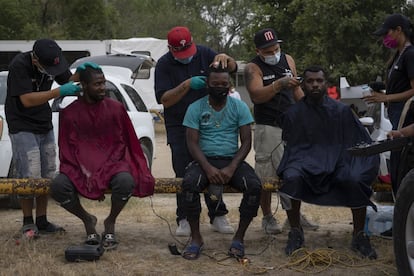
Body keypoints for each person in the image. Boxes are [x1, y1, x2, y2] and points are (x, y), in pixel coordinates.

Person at [277, 65, 379, 259]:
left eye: (319, 81)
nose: (315, 85)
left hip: (339, 161)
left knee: (355, 178)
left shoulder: (342, 111)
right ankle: (296, 232)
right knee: (291, 176)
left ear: (326, 84)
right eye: (310, 81)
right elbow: (292, 148)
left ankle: (359, 235)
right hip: (304, 161)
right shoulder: (294, 113)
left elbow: (359, 142)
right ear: (303, 85)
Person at [50, 62, 155, 250]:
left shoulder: (116, 108)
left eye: (103, 83)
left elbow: (125, 142)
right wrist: (87, 172)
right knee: (58, 187)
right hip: (80, 166)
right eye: (97, 84)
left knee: (125, 181)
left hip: (112, 163)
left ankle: (110, 222)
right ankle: (87, 220)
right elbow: (67, 148)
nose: (102, 88)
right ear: (83, 86)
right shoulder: (69, 113)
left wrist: (104, 169)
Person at [154, 26, 238, 236]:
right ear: (170, 48)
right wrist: (187, 84)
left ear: (193, 43)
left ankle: (218, 214)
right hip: (178, 124)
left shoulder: (206, 54)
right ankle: (184, 218)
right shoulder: (164, 64)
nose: (186, 58)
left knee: (213, 166)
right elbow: (164, 99)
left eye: (188, 52)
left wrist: (228, 59)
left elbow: (232, 69)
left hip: (208, 122)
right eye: (180, 54)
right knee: (183, 173)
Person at [180, 66, 261, 260]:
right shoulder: (195, 107)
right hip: (203, 161)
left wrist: (232, 167)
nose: (219, 87)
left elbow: (247, 141)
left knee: (255, 186)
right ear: (207, 84)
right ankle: (196, 239)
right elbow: (191, 142)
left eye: (224, 84)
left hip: (231, 160)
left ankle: (239, 238)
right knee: (189, 185)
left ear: (230, 85)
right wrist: (207, 168)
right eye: (215, 84)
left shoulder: (239, 106)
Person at [5, 38, 81, 238]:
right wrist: (58, 92)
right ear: (36, 60)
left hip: (43, 123)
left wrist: (82, 73)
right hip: (22, 124)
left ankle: (42, 220)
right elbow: (27, 100)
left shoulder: (53, 61)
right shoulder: (19, 66)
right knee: (29, 174)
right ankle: (27, 222)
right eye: (46, 67)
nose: (51, 71)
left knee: (47, 174)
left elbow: (68, 80)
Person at [244, 28, 317, 235]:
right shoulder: (252, 67)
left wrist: (308, 109)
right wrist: (277, 85)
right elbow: (257, 96)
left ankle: (294, 216)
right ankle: (267, 216)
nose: (273, 53)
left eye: (275, 48)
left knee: (294, 172)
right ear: (258, 51)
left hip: (291, 124)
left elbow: (296, 90)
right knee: (266, 173)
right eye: (268, 51)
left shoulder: (288, 60)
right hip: (267, 126)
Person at [366, 13, 414, 195]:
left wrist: (386, 99)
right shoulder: (398, 56)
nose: (385, 39)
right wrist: (383, 91)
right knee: (395, 167)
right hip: (395, 115)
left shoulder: (410, 54)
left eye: (387, 33)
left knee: (401, 165)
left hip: (406, 116)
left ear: (398, 30)